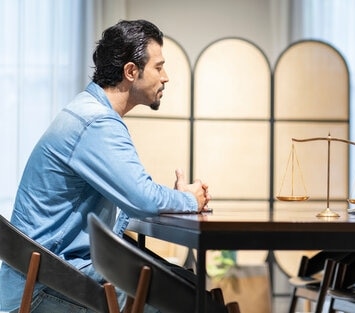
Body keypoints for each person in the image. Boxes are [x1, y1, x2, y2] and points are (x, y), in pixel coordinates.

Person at [0, 20, 212, 312]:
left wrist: (170, 200)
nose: (166, 77)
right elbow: (142, 198)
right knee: (191, 302)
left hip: (48, 274)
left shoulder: (88, 111)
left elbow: (135, 196)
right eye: (159, 66)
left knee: (188, 288)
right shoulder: (96, 122)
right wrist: (189, 199)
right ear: (130, 71)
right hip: (45, 285)